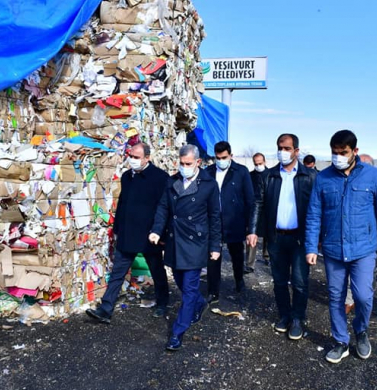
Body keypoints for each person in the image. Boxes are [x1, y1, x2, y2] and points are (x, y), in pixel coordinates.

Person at [305, 130, 377, 364]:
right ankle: (340, 341)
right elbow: (314, 214)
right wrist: (310, 247)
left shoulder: (373, 176)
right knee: (335, 297)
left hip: (363, 249)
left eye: (343, 153)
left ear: (354, 151)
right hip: (334, 249)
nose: (338, 157)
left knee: (363, 296)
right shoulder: (323, 178)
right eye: (334, 153)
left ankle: (361, 330)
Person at [86, 143, 170, 323]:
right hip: (128, 233)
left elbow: (165, 208)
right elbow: (122, 204)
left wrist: (161, 234)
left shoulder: (160, 178)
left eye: (137, 157)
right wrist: (117, 229)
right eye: (131, 155)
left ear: (147, 158)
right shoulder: (126, 177)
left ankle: (162, 302)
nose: (133, 160)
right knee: (118, 272)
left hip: (150, 235)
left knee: (156, 270)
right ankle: (105, 309)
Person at [149, 144, 221, 351]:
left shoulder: (208, 184)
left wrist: (215, 245)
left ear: (198, 162)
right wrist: (156, 230)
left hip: (195, 241)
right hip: (174, 240)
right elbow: (163, 208)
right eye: (181, 163)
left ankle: (178, 332)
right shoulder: (172, 181)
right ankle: (200, 303)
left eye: (188, 163)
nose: (184, 167)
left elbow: (215, 217)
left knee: (188, 288)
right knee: (181, 282)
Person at [247, 134, 316, 341]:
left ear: (296, 151)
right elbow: (258, 204)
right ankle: (284, 315)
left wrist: (317, 237)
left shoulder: (310, 177)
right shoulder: (268, 176)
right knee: (279, 280)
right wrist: (252, 230)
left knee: (299, 281)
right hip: (276, 238)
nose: (282, 152)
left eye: (286, 148)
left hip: (299, 239)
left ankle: (297, 318)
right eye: (280, 148)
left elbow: (317, 208)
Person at [205, 141, 254, 303]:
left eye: (224, 157)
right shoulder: (208, 172)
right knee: (213, 256)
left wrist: (250, 227)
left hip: (234, 221)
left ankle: (239, 280)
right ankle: (213, 290)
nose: (221, 160)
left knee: (236, 254)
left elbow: (249, 200)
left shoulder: (241, 172)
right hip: (213, 221)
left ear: (231, 156)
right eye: (218, 158)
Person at [343, 153, 377, 315]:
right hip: (348, 238)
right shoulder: (348, 184)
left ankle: (360, 297)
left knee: (365, 275)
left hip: (369, 240)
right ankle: (349, 300)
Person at [246, 152, 269, 272]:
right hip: (253, 209)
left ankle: (267, 256)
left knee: (268, 236)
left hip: (267, 210)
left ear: (264, 162)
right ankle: (250, 264)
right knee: (251, 236)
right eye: (256, 164)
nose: (258, 165)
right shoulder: (250, 176)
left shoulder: (270, 175)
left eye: (260, 163)